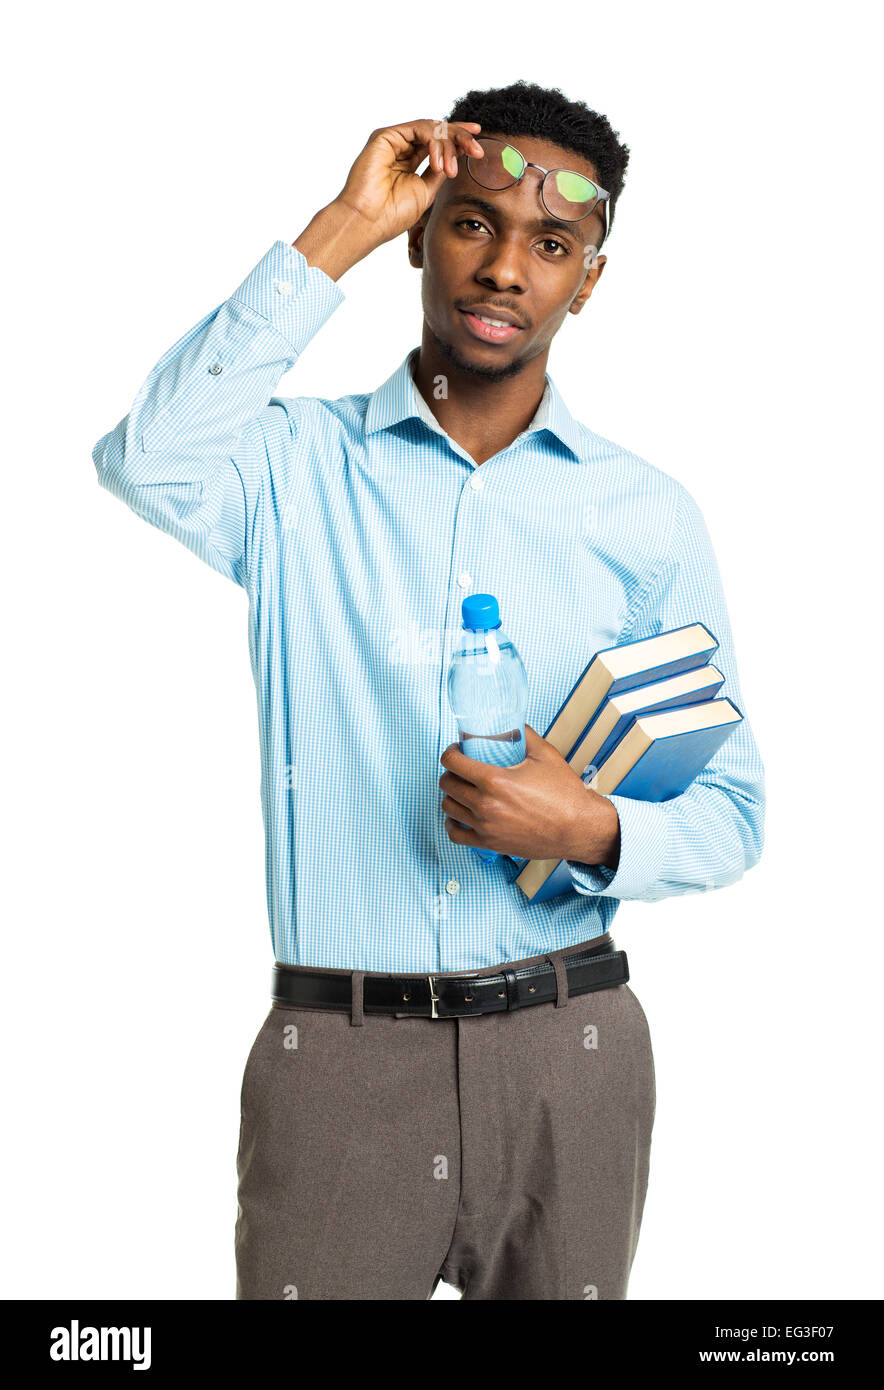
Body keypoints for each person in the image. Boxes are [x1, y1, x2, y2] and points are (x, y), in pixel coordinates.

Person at [92, 80, 765, 1301]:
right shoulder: (292, 468)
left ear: (587, 281)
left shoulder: (646, 517)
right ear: (421, 230)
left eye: (550, 244)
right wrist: (338, 225)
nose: (505, 268)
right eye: (471, 223)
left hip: (574, 1050)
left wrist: (590, 828)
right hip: (339, 1060)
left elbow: (732, 809)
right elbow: (148, 454)